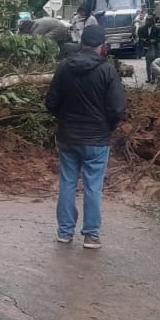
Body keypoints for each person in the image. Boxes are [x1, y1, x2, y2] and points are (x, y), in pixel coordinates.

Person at [45, 24, 126, 249]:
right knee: (93, 187)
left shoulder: (64, 67)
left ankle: (64, 233)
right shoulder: (107, 70)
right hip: (97, 140)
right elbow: (117, 108)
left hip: (68, 137)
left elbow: (51, 102)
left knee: (67, 183)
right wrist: (107, 127)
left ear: (81, 42)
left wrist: (64, 119)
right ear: (102, 46)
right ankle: (91, 236)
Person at [137, 14, 160, 80]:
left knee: (154, 63)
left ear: (152, 22)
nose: (147, 22)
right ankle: (148, 77)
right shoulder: (141, 29)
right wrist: (143, 40)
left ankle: (153, 77)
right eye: (147, 21)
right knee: (148, 63)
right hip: (146, 47)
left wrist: (154, 40)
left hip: (154, 47)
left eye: (149, 21)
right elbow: (140, 38)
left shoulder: (157, 29)